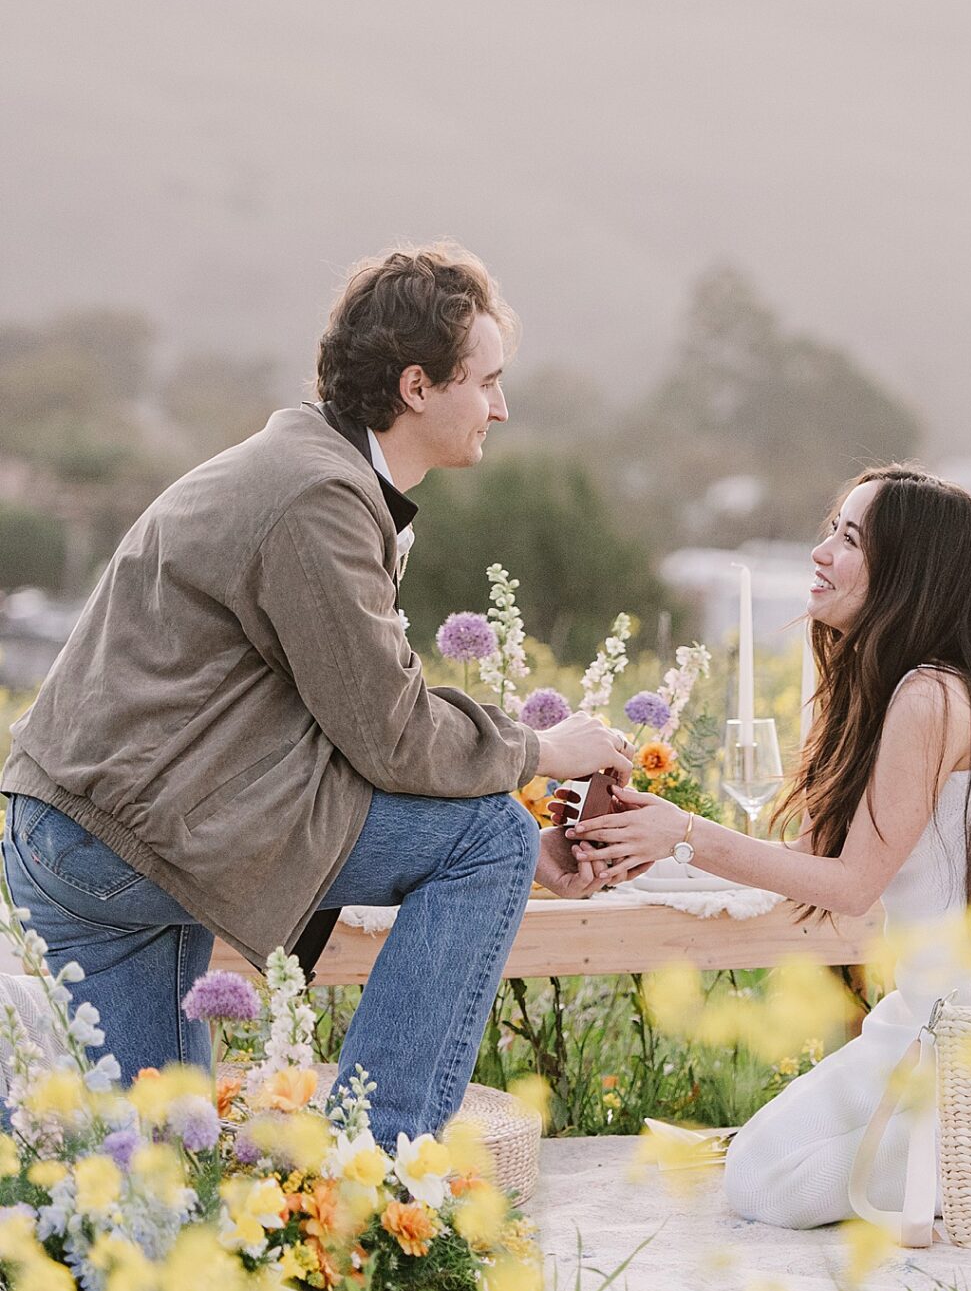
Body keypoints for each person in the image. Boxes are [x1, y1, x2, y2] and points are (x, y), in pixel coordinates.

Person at [0, 243, 630, 1146]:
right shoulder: (316, 500)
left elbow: (344, 719)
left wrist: (522, 821)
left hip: (89, 829)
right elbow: (389, 735)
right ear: (417, 386)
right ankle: (370, 1177)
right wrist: (537, 754)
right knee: (484, 837)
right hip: (133, 836)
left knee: (153, 1176)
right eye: (485, 381)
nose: (501, 405)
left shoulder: (314, 469)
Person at [559, 462, 971, 1227]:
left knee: (766, 1184)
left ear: (910, 572)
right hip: (926, 1018)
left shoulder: (931, 694)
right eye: (830, 530)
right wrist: (644, 850)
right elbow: (802, 869)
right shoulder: (894, 691)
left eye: (850, 538)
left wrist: (684, 835)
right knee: (757, 1169)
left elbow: (849, 886)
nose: (820, 553)